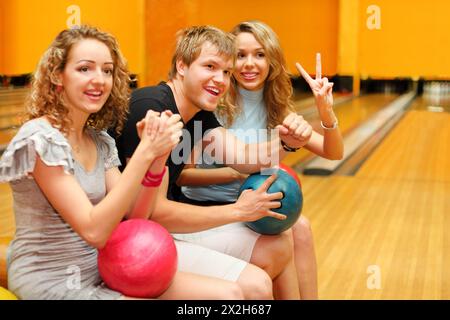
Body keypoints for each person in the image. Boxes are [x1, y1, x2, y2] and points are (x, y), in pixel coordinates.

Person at [0, 25, 269, 300]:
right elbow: (93, 230)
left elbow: (137, 217)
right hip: (54, 281)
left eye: (106, 70)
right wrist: (144, 154)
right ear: (58, 75)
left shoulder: (99, 141)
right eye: (84, 69)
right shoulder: (40, 138)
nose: (99, 79)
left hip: (107, 267)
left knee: (231, 295)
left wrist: (157, 159)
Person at [115, 25, 313, 299]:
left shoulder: (199, 112)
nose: (220, 79)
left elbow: (243, 158)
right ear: (181, 66)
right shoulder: (153, 108)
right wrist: (238, 211)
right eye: (210, 66)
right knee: (256, 287)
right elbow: (153, 212)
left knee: (278, 247)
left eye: (226, 72)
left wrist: (286, 142)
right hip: (133, 242)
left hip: (160, 230)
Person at [178, 21, 344, 299]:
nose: (248, 64)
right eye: (240, 55)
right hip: (209, 207)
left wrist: (325, 111)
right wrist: (237, 175)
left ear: (272, 59)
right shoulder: (213, 103)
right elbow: (183, 176)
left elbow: (333, 152)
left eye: (259, 54)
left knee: (301, 227)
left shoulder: (276, 109)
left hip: (256, 210)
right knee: (288, 233)